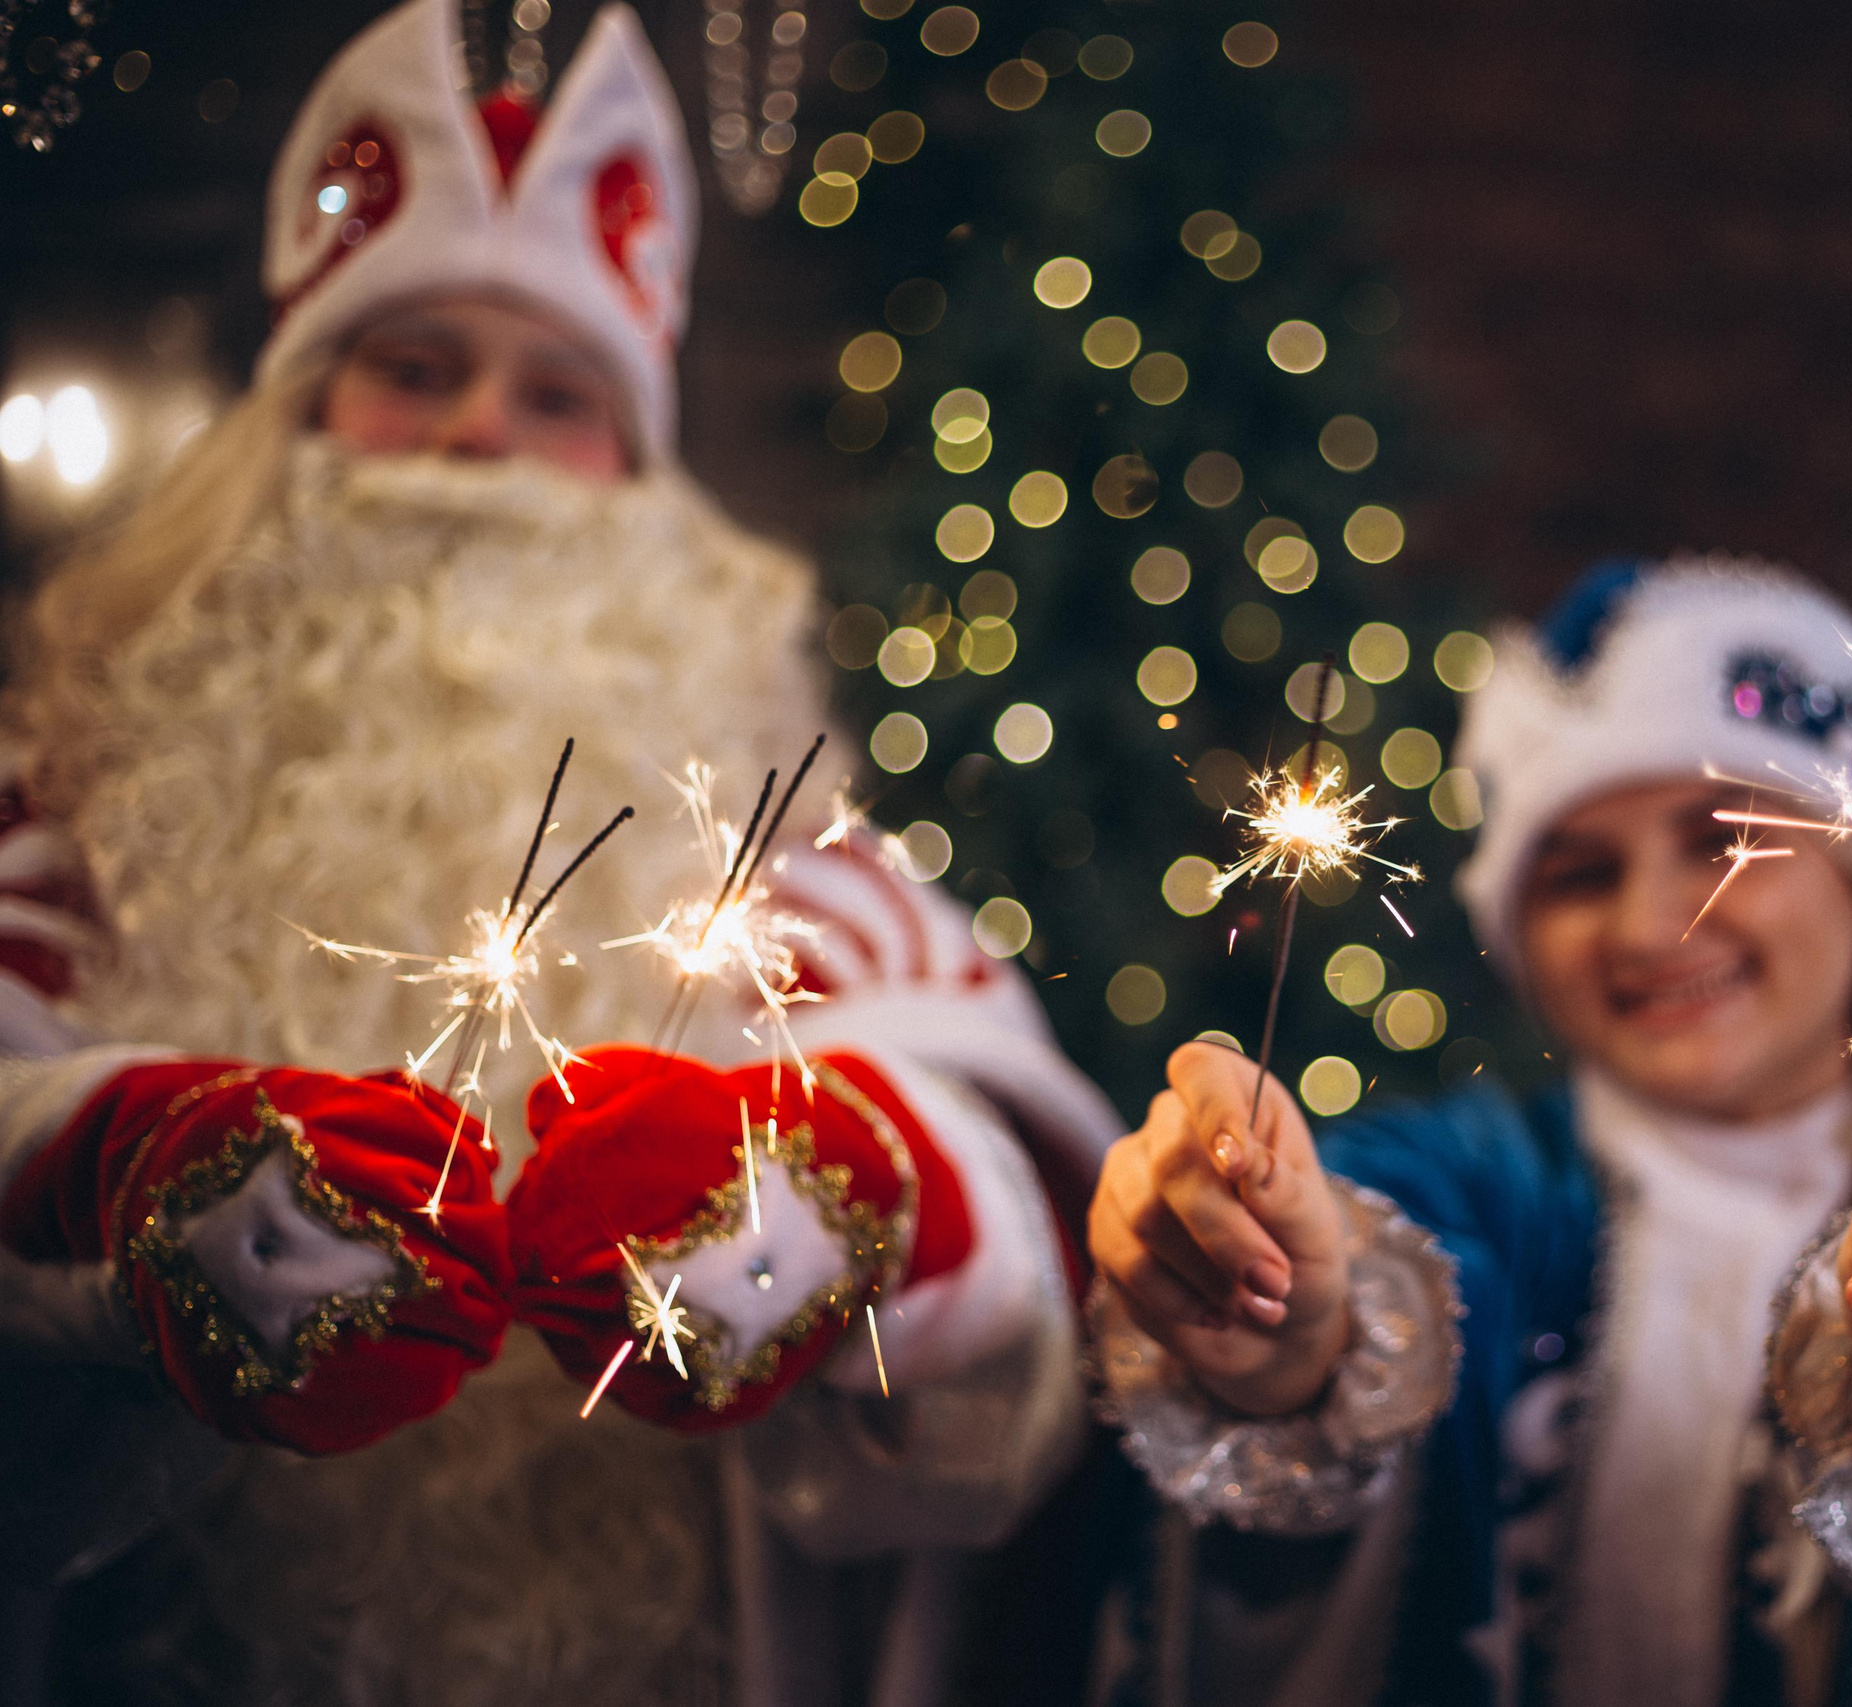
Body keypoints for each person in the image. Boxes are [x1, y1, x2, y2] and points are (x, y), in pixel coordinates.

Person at [0, 3, 1121, 1703]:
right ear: (296, 418)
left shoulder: (775, 831)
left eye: (557, 392)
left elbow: (990, 1126)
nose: (477, 439)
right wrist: (135, 1158)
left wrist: (819, 1192)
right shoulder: (73, 797)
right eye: (414, 367)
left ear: (641, 479)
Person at [1086, 559, 1852, 1706]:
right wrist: (1281, 1327)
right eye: (1576, 873)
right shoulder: (1468, 1187)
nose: (1651, 925)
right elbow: (1354, 1255)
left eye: (1727, 843)